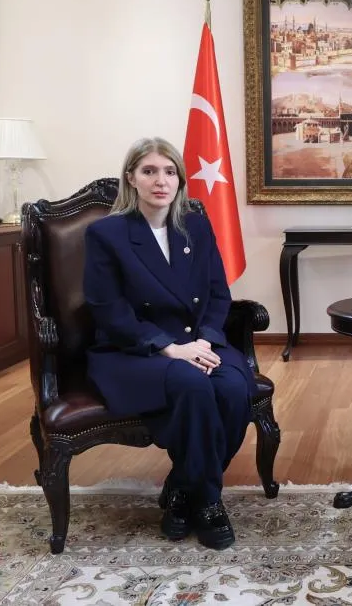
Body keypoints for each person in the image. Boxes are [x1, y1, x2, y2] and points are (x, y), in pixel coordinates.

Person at [83, 136, 255, 550]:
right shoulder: (106, 233)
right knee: (191, 384)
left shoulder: (195, 225)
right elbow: (109, 309)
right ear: (131, 178)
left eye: (169, 171)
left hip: (198, 341)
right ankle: (208, 503)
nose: (160, 180)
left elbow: (218, 294)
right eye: (149, 171)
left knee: (234, 388)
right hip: (134, 348)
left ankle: (181, 489)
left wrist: (207, 341)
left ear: (179, 179)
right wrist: (169, 348)